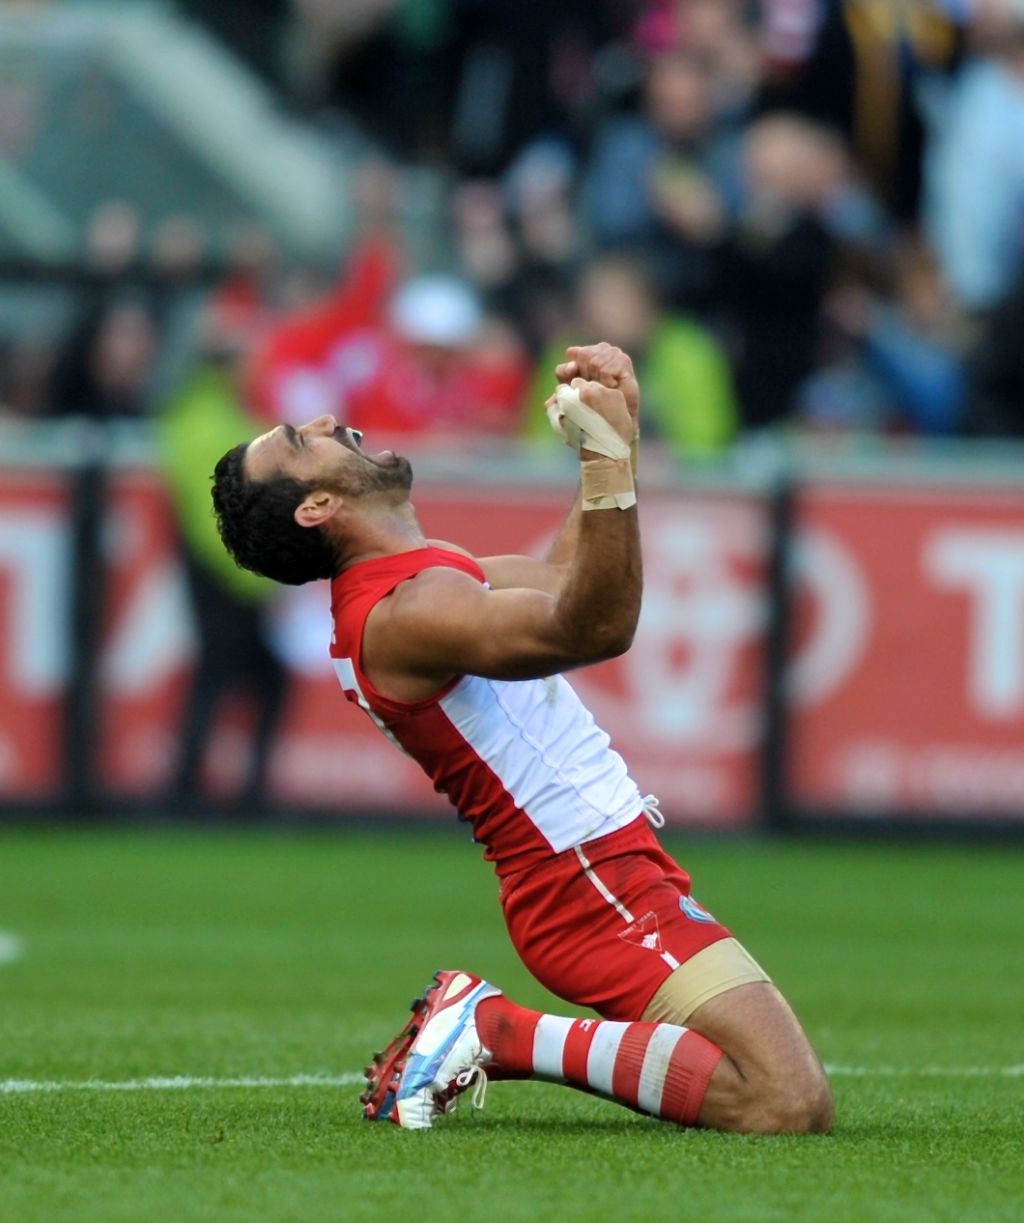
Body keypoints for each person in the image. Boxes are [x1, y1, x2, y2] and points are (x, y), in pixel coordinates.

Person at [209, 342, 833, 1135]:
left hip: (598, 870)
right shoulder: (407, 612)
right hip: (583, 883)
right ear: (317, 506)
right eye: (302, 439)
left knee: (785, 1091)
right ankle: (494, 1029)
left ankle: (495, 1028)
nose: (328, 420)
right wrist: (605, 456)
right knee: (783, 1100)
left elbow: (570, 577)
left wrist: (619, 436)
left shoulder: (422, 580)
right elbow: (596, 623)